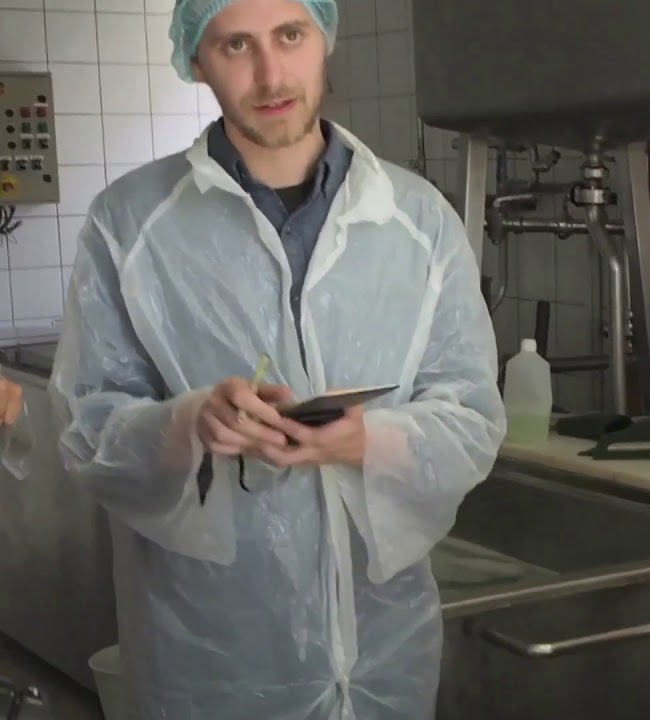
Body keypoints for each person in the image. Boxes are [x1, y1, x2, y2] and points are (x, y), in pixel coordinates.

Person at [47, 0, 505, 717]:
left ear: (325, 39)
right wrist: (188, 423)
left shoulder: (417, 221)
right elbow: (88, 429)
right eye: (236, 45)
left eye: (290, 36)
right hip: (213, 659)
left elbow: (472, 416)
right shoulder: (130, 224)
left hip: (386, 659)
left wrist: (368, 440)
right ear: (195, 60)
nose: (270, 75)